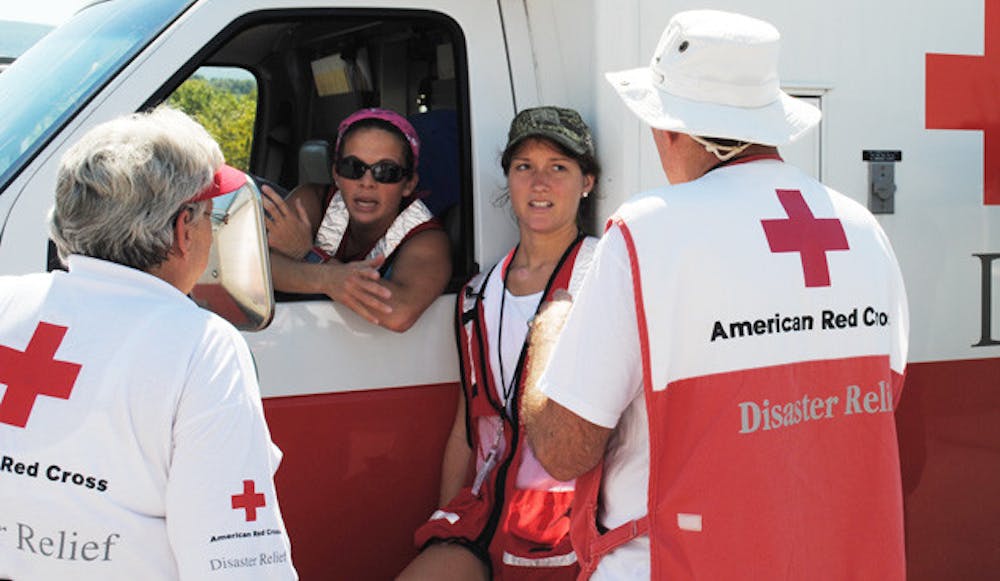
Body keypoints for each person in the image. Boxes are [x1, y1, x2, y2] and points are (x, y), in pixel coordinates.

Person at [521, 10, 910, 580]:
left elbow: (563, 448)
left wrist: (552, 327)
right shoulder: (862, 230)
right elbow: (869, 408)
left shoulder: (648, 231)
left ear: (671, 128)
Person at [0, 108, 297, 579]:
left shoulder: (6, 300)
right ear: (183, 230)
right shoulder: (200, 346)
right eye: (209, 218)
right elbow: (234, 561)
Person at [398, 107, 600, 580]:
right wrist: (447, 519)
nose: (540, 183)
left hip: (567, 528)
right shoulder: (478, 293)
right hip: (486, 516)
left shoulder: (603, 277)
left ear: (586, 182)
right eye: (524, 167)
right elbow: (466, 429)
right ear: (508, 178)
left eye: (559, 168)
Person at [263, 107, 452, 331]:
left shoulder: (426, 239)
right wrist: (328, 279)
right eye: (353, 167)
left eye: (386, 171)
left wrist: (308, 255)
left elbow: (397, 313)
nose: (367, 182)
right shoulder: (312, 201)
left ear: (409, 183)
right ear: (336, 174)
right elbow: (258, 267)